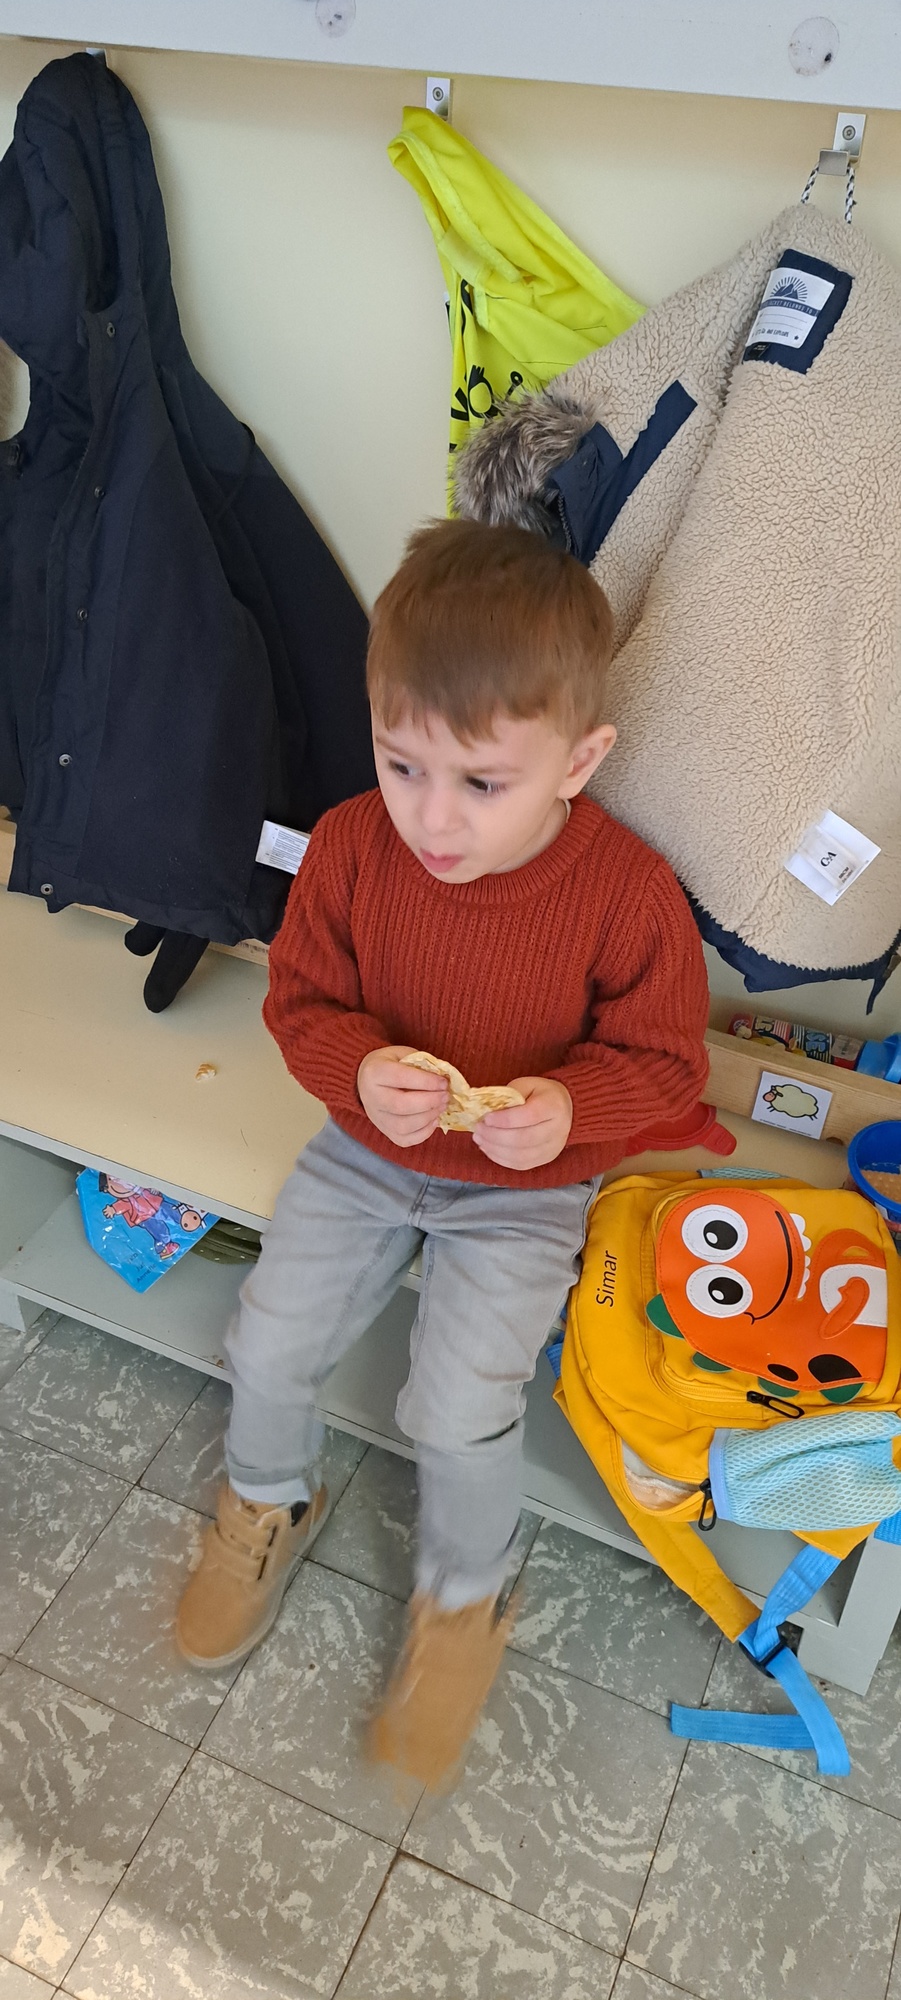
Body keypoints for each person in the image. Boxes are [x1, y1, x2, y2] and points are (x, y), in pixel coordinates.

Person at [175, 518, 709, 1783]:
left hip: (527, 1185)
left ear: (579, 761)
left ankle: (467, 1594)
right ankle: (266, 1496)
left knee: (460, 1403)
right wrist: (360, 1068)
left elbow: (666, 1066)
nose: (430, 816)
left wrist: (570, 1107)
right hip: (368, 1148)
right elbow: (300, 1003)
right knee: (268, 1337)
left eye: (480, 783)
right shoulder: (351, 844)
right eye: (400, 760)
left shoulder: (629, 894)